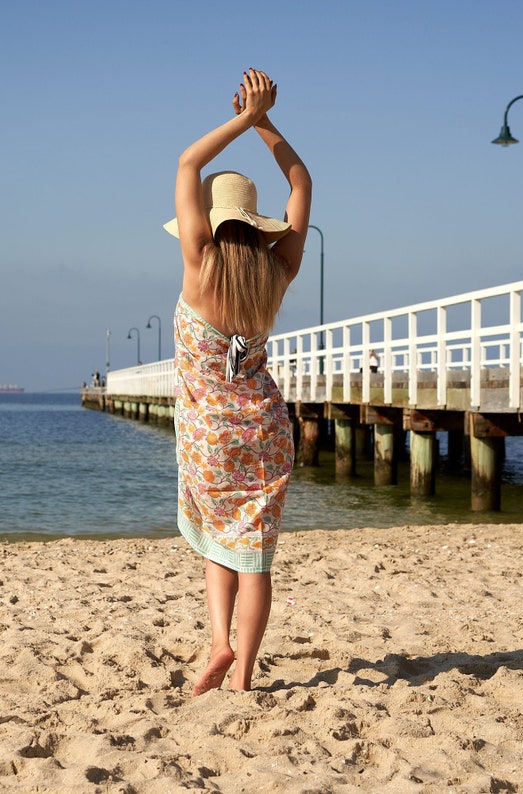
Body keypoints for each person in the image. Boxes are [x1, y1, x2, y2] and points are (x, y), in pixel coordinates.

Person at [164, 68, 312, 696]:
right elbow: (301, 181)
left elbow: (187, 164)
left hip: (208, 437)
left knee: (215, 548)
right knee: (254, 556)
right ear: (256, 224)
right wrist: (267, 121)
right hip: (266, 429)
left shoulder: (200, 263)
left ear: (215, 220)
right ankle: (244, 674)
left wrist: (243, 118)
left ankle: (219, 642)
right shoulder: (279, 270)